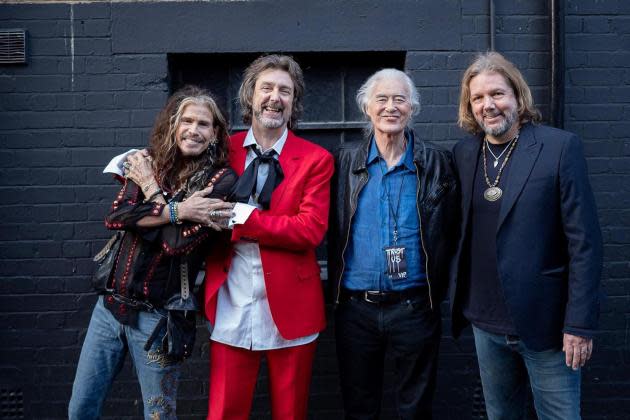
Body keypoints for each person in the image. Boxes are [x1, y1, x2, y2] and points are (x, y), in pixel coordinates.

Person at [449, 51, 603, 420]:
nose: (489, 105)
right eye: (478, 98)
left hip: (547, 325)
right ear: (469, 106)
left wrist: (579, 324)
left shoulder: (559, 147)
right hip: (485, 323)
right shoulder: (465, 153)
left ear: (518, 96)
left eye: (497, 94)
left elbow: (585, 243)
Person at [68, 86, 237, 420]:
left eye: (203, 124)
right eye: (186, 120)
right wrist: (179, 211)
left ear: (215, 133)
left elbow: (177, 245)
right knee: (81, 409)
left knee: (158, 415)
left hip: (159, 319)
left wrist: (150, 193)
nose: (193, 130)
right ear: (174, 125)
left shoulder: (221, 181)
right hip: (109, 308)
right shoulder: (148, 162)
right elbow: (117, 217)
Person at [202, 54, 334, 419]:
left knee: (290, 413)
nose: (275, 97)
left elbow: (309, 229)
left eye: (285, 91)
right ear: (250, 95)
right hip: (232, 300)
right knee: (225, 411)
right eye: (267, 88)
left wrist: (243, 219)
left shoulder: (316, 159)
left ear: (294, 102)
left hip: (293, 305)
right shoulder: (222, 150)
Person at [327, 68, 459, 419]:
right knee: (359, 408)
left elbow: (455, 230)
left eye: (399, 99)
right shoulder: (343, 162)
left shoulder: (438, 162)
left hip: (416, 307)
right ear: (367, 107)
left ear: (412, 108)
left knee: (415, 408)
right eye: (381, 99)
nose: (390, 107)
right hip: (355, 309)